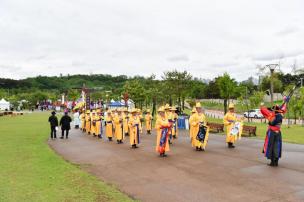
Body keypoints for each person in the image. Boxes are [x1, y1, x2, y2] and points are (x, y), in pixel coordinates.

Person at [260, 96, 289, 167]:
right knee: (277, 146)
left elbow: (263, 110)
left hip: (271, 132)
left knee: (271, 146)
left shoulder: (270, 115)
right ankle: (276, 161)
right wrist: (285, 102)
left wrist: (262, 104)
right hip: (278, 132)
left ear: (273, 110)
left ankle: (272, 162)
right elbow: (283, 109)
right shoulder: (280, 115)